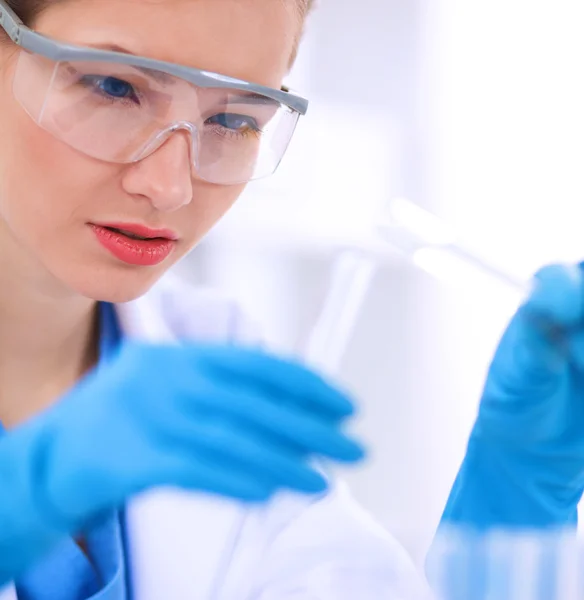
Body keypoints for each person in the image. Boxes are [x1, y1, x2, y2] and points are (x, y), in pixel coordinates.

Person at [0, 0, 431, 598]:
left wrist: (508, 499)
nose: (168, 187)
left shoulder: (209, 365)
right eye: (113, 86)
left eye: (233, 121)